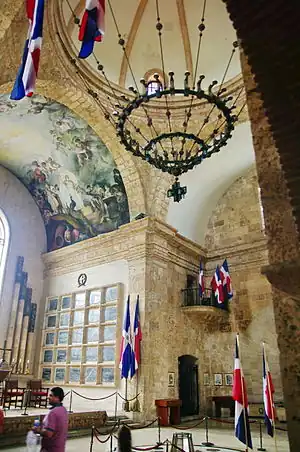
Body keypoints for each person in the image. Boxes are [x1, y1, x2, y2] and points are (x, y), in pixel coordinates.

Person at [33, 387, 68, 452]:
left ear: (57, 397)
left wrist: (38, 430)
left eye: (51, 396)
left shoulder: (53, 412)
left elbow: (49, 433)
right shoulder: (63, 410)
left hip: (50, 449)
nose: (48, 397)